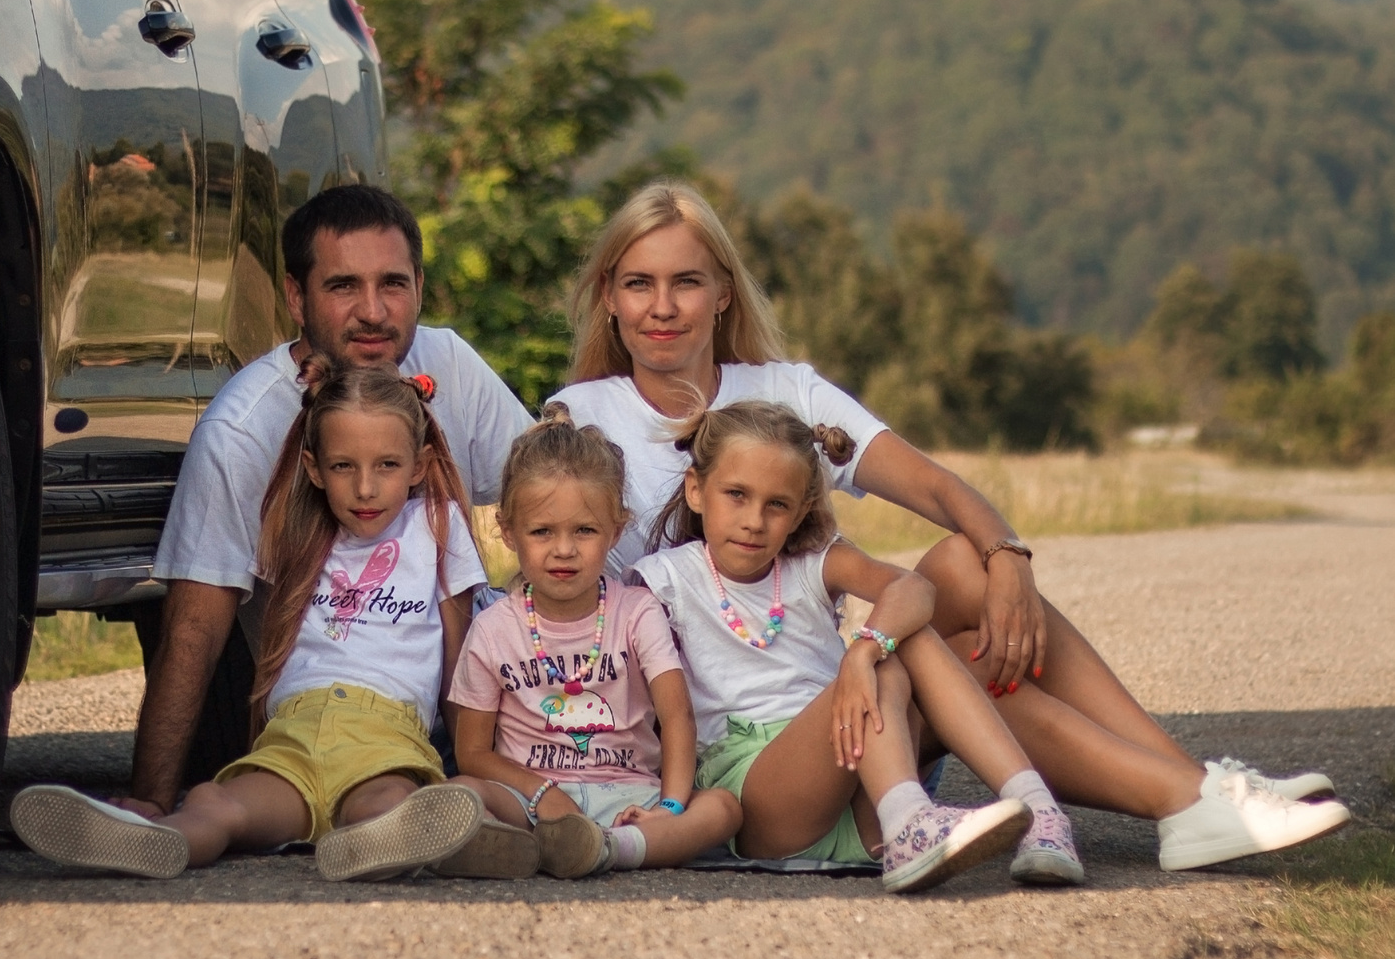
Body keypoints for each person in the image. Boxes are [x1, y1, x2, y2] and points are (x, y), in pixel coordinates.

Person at [552, 182, 1350, 871]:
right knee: (958, 655)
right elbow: (543, 556)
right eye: (638, 284)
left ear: (723, 291)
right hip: (730, 742)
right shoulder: (583, 415)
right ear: (610, 297)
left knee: (967, 569)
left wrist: (1008, 558)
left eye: (686, 281)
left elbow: (932, 484)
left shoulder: (783, 390)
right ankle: (1190, 798)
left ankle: (1196, 794)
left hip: (847, 717)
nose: (662, 307)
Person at [11, 360, 538, 882]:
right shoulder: (295, 535)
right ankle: (153, 839)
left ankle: (390, 841)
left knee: (389, 803)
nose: (365, 489)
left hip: (387, 739)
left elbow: (459, 667)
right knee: (218, 803)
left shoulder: (436, 529)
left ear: (419, 466)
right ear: (313, 469)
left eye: (386, 465)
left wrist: (472, 769)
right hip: (293, 736)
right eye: (342, 467)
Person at [125, 185, 533, 816]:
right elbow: (195, 627)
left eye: (393, 284)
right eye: (344, 286)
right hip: (314, 713)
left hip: (463, 719)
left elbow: (553, 497)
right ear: (296, 296)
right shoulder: (243, 432)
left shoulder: (447, 362)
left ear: (420, 286)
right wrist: (148, 800)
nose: (373, 311)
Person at [630, 401, 1078, 890]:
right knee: (887, 652)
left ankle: (1035, 814)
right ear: (697, 490)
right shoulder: (664, 579)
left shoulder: (811, 563)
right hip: (760, 793)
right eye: (736, 494)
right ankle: (912, 822)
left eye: (777, 504)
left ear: (801, 510)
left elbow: (914, 587)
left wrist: (863, 651)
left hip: (856, 779)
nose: (754, 520)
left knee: (902, 638)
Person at [449, 411, 743, 876]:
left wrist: (668, 806)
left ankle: (611, 849)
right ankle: (521, 844)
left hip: (630, 800)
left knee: (723, 808)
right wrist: (544, 794)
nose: (564, 549)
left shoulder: (637, 612)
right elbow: (473, 753)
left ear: (616, 529)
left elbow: (676, 715)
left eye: (584, 530)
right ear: (507, 531)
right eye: (542, 531)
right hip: (530, 799)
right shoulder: (492, 629)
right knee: (466, 790)